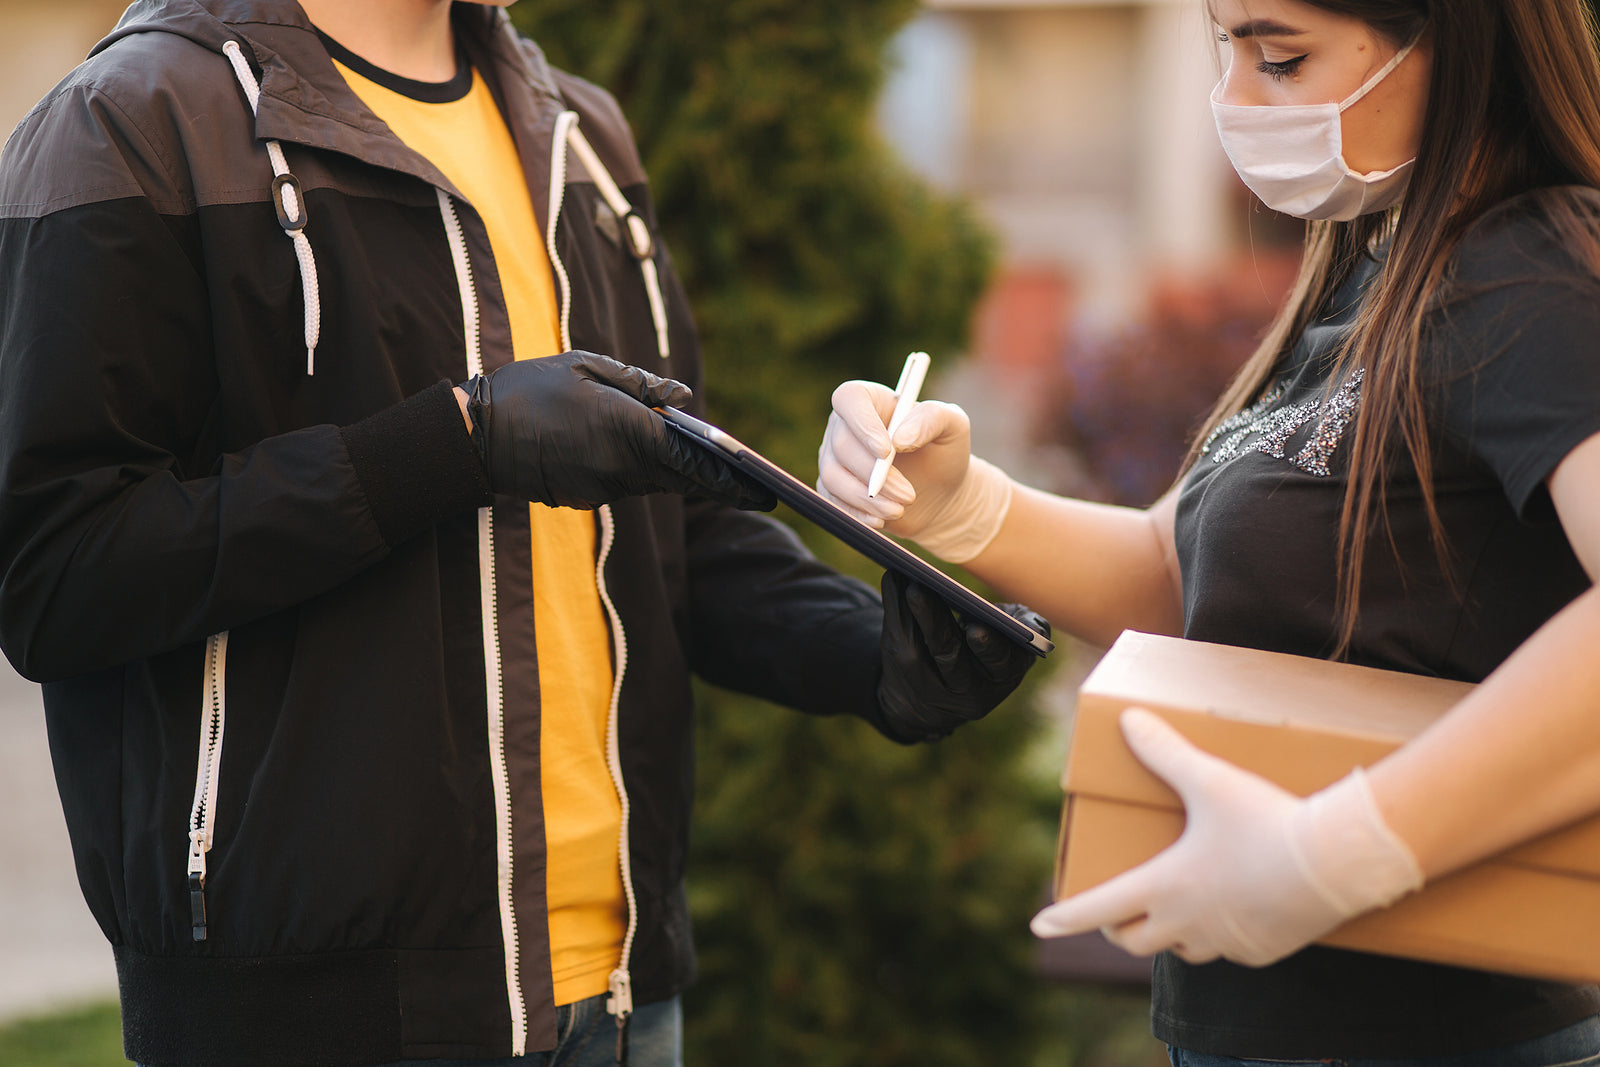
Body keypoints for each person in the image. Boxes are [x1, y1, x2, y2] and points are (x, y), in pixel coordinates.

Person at [0, 2, 1047, 1065]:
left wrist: (869, 651)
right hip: (317, 1018)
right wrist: (456, 443)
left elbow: (662, 524)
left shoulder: (579, 137)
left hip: (629, 995)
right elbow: (54, 571)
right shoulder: (131, 124)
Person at [819, 0, 1600, 1061]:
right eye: (1223, 46)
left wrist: (1337, 853)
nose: (1233, 98)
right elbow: (1185, 575)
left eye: (1277, 54)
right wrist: (966, 506)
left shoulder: (1535, 270)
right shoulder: (1373, 270)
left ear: (1449, 36)